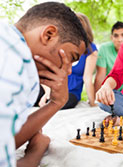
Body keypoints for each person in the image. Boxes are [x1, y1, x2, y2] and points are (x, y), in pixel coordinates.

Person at [0, 2, 88, 167]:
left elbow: (6, 136)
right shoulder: (18, 64)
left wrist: (57, 103)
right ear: (48, 34)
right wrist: (35, 153)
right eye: (72, 57)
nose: (69, 70)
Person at [37, 13, 98, 108]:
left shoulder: (91, 50)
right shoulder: (61, 45)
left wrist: (93, 103)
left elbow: (87, 78)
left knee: (61, 102)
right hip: (50, 88)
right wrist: (47, 92)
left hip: (70, 93)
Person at [94, 21, 123, 92]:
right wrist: (97, 98)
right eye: (116, 36)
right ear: (111, 37)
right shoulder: (104, 49)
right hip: (113, 90)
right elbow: (100, 76)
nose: (120, 39)